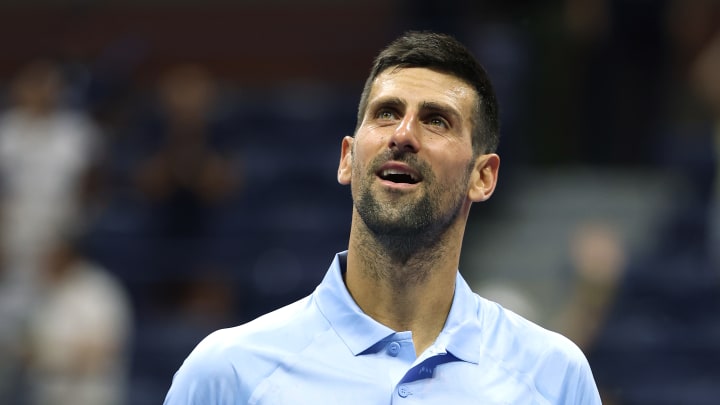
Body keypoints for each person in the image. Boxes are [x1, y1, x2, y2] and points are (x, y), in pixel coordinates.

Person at [164, 31, 601, 404]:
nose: (403, 135)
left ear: (483, 177)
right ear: (348, 159)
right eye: (386, 113)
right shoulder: (228, 374)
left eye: (436, 121)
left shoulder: (553, 378)